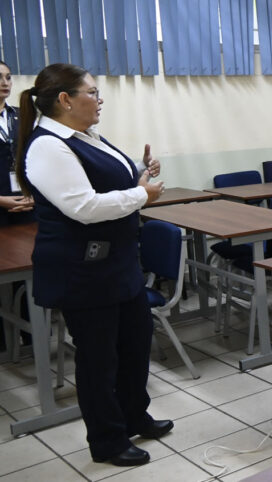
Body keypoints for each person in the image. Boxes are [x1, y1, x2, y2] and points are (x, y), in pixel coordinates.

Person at [15, 63, 170, 467]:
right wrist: (142, 196)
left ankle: (135, 415)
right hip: (82, 271)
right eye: (92, 93)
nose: (100, 100)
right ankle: (107, 441)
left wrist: (140, 172)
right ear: (65, 100)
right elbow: (82, 206)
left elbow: (105, 184)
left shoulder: (87, 137)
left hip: (117, 264)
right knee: (99, 359)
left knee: (135, 344)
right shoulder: (48, 144)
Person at [0, 60, 34, 225]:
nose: (4, 83)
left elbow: (37, 158)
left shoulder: (23, 116)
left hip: (27, 201)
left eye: (8, 77)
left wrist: (35, 195)